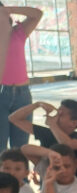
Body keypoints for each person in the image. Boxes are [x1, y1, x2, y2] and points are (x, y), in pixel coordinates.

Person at [0, 3, 42, 151]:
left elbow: (37, 14)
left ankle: (21, 175)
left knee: (21, 147)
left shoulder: (17, 32)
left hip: (22, 95)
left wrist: (9, 9)